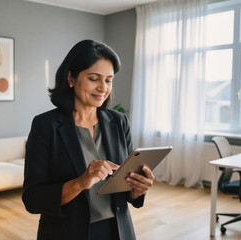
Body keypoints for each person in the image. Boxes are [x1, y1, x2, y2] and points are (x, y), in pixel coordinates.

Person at [22, 40, 155, 240]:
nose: (103, 88)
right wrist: (81, 182)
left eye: (108, 80)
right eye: (94, 78)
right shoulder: (45, 125)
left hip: (118, 231)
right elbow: (33, 199)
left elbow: (126, 185)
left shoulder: (119, 122)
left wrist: (138, 188)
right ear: (70, 78)